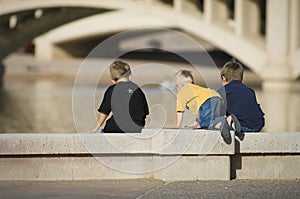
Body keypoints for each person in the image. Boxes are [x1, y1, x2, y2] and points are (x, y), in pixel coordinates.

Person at [89, 60, 149, 133]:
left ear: (113, 80)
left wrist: (96, 128)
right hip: (136, 129)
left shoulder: (112, 90)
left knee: (102, 131)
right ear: (130, 75)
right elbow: (145, 112)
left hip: (115, 128)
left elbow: (104, 112)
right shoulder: (138, 90)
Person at [215, 59, 265, 136]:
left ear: (223, 78)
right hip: (257, 125)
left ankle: (232, 124)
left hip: (242, 124)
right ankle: (232, 123)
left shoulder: (223, 91)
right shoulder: (250, 90)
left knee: (214, 120)